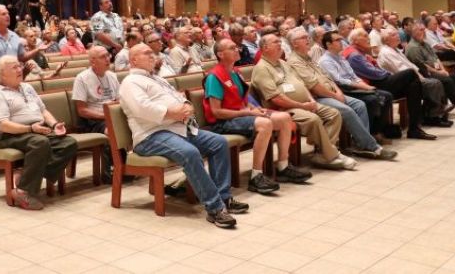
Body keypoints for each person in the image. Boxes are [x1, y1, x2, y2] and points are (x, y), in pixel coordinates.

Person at [120, 43, 245, 228]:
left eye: (152, 53)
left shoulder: (156, 78)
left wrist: (186, 105)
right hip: (150, 135)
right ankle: (215, 208)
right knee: (190, 152)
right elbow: (142, 108)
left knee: (218, 142)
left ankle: (224, 198)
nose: (153, 55)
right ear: (134, 59)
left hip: (177, 128)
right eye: (147, 53)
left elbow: (177, 96)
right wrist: (173, 114)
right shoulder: (130, 83)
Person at [204, 39, 311, 194]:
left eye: (237, 47)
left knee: (284, 118)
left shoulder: (236, 72)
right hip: (223, 122)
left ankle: (283, 166)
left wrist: (255, 108)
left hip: (240, 116)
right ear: (220, 54)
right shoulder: (214, 77)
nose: (237, 50)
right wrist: (248, 112)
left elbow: (243, 100)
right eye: (232, 48)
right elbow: (216, 112)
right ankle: (256, 176)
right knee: (265, 124)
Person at [287, 29, 397, 159]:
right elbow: (315, 87)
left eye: (307, 36)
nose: (308, 39)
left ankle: (360, 144)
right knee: (347, 110)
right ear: (294, 44)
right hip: (319, 97)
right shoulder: (295, 62)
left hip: (332, 93)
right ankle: (372, 146)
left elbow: (328, 79)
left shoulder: (308, 58)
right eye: (304, 37)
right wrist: (335, 96)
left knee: (360, 105)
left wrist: (338, 92)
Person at [251, 34, 356, 170]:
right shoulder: (261, 68)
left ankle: (324, 154)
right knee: (313, 119)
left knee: (334, 114)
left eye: (280, 42)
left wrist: (311, 100)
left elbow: (300, 83)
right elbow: (276, 99)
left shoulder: (282, 63)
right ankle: (332, 154)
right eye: (276, 42)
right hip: (283, 109)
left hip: (304, 103)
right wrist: (302, 105)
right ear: (265, 48)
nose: (280, 44)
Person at [0, 55, 77, 210]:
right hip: (13, 135)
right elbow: (3, 125)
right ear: (2, 74)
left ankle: (25, 178)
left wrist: (55, 124)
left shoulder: (27, 87)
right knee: (40, 143)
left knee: (68, 142)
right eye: (14, 67)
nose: (20, 69)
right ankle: (24, 191)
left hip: (37, 131)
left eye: (19, 66)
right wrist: (30, 129)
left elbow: (43, 110)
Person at [345, 27, 436, 140]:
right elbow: (374, 74)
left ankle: (415, 128)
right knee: (410, 74)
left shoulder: (361, 53)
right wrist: (389, 74)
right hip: (372, 85)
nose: (368, 37)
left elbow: (376, 70)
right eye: (364, 36)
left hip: (378, 82)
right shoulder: (355, 56)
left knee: (413, 86)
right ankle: (417, 125)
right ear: (355, 40)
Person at [406, 23, 455, 119]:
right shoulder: (413, 47)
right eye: (420, 30)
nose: (423, 32)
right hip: (425, 74)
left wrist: (442, 69)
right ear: (413, 32)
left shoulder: (425, 44)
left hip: (436, 71)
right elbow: (422, 66)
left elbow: (436, 58)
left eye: (424, 29)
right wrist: (439, 72)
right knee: (447, 80)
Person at [377, 28, 450, 125]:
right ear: (386, 40)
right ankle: (432, 116)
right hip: (400, 83)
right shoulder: (386, 52)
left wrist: (421, 76)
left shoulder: (396, 50)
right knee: (434, 83)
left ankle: (434, 112)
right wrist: (420, 78)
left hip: (410, 78)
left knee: (437, 81)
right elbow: (402, 70)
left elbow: (411, 66)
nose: (398, 36)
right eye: (394, 35)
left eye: (397, 34)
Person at [71, 46, 120, 183]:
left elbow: (118, 100)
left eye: (108, 55)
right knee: (112, 130)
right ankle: (110, 170)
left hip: (111, 115)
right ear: (93, 62)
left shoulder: (112, 75)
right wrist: (106, 116)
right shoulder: (82, 78)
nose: (108, 58)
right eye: (103, 57)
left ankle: (126, 166)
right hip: (91, 120)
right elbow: (82, 110)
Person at [0, 4, 46, 84]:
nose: (7, 16)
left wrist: (37, 49)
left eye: (8, 13)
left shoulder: (14, 36)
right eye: (3, 14)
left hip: (15, 76)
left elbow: (22, 57)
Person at [423, 16, 455, 85]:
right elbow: (437, 46)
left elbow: (446, 41)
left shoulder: (436, 32)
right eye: (434, 24)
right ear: (428, 25)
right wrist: (452, 49)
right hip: (437, 54)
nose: (437, 25)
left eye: (436, 24)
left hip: (445, 51)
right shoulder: (426, 34)